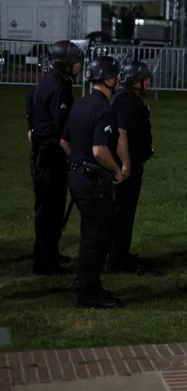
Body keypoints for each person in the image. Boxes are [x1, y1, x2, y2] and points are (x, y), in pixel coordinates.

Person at [60, 56, 125, 308]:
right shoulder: (105, 109)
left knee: (90, 234)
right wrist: (116, 170)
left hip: (77, 177)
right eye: (116, 75)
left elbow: (64, 143)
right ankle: (88, 292)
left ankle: (85, 283)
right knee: (97, 237)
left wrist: (79, 161)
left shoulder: (81, 103)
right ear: (109, 78)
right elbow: (100, 150)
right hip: (92, 181)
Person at [26, 40, 84, 275]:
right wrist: (75, 157)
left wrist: (31, 126)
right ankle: (45, 262)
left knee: (48, 210)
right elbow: (63, 130)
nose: (80, 66)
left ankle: (48, 254)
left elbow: (29, 100)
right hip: (50, 156)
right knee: (50, 210)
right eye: (77, 62)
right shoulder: (59, 87)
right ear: (67, 64)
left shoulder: (50, 79)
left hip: (43, 153)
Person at [109, 59, 154, 273]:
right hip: (126, 166)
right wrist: (126, 164)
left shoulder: (129, 97)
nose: (149, 81)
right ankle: (118, 258)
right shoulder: (126, 100)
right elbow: (121, 133)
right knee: (122, 211)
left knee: (125, 211)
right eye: (145, 78)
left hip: (132, 163)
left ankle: (121, 253)